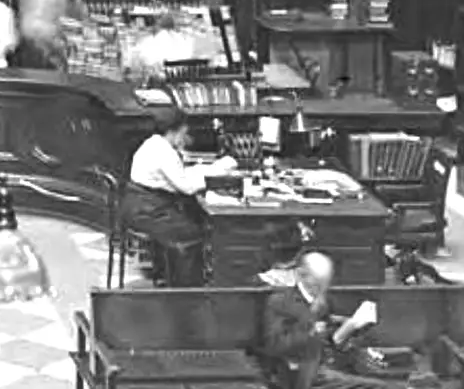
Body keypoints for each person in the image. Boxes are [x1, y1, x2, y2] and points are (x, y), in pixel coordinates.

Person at [123, 108, 235, 287]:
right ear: (174, 131)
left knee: (192, 218)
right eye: (184, 132)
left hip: (141, 206)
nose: (185, 137)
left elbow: (179, 176)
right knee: (194, 231)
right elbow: (187, 187)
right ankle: (187, 287)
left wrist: (208, 169)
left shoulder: (153, 144)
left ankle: (177, 277)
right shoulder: (164, 152)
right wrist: (214, 175)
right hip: (148, 211)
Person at [259, 252, 387, 389]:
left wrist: (350, 327)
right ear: (302, 275)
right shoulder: (280, 302)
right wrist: (311, 326)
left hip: (328, 366)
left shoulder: (323, 302)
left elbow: (330, 338)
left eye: (325, 282)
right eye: (319, 281)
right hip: (301, 372)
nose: (323, 287)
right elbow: (276, 345)